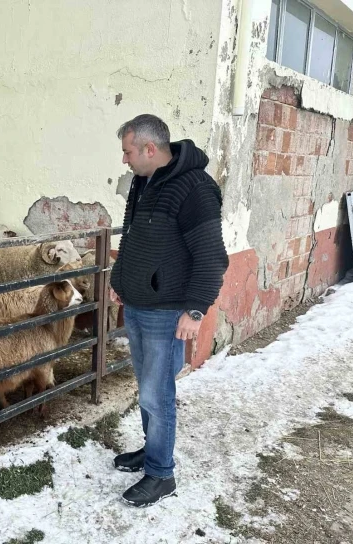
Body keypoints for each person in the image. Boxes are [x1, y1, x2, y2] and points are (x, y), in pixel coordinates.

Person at [110, 114, 228, 507]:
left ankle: (161, 474)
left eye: (127, 151)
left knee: (157, 395)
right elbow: (133, 238)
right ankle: (152, 450)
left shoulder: (195, 188)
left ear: (149, 148)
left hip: (167, 312)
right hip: (139, 306)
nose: (124, 159)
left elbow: (212, 257)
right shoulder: (143, 182)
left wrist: (195, 311)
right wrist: (119, 281)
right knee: (147, 390)